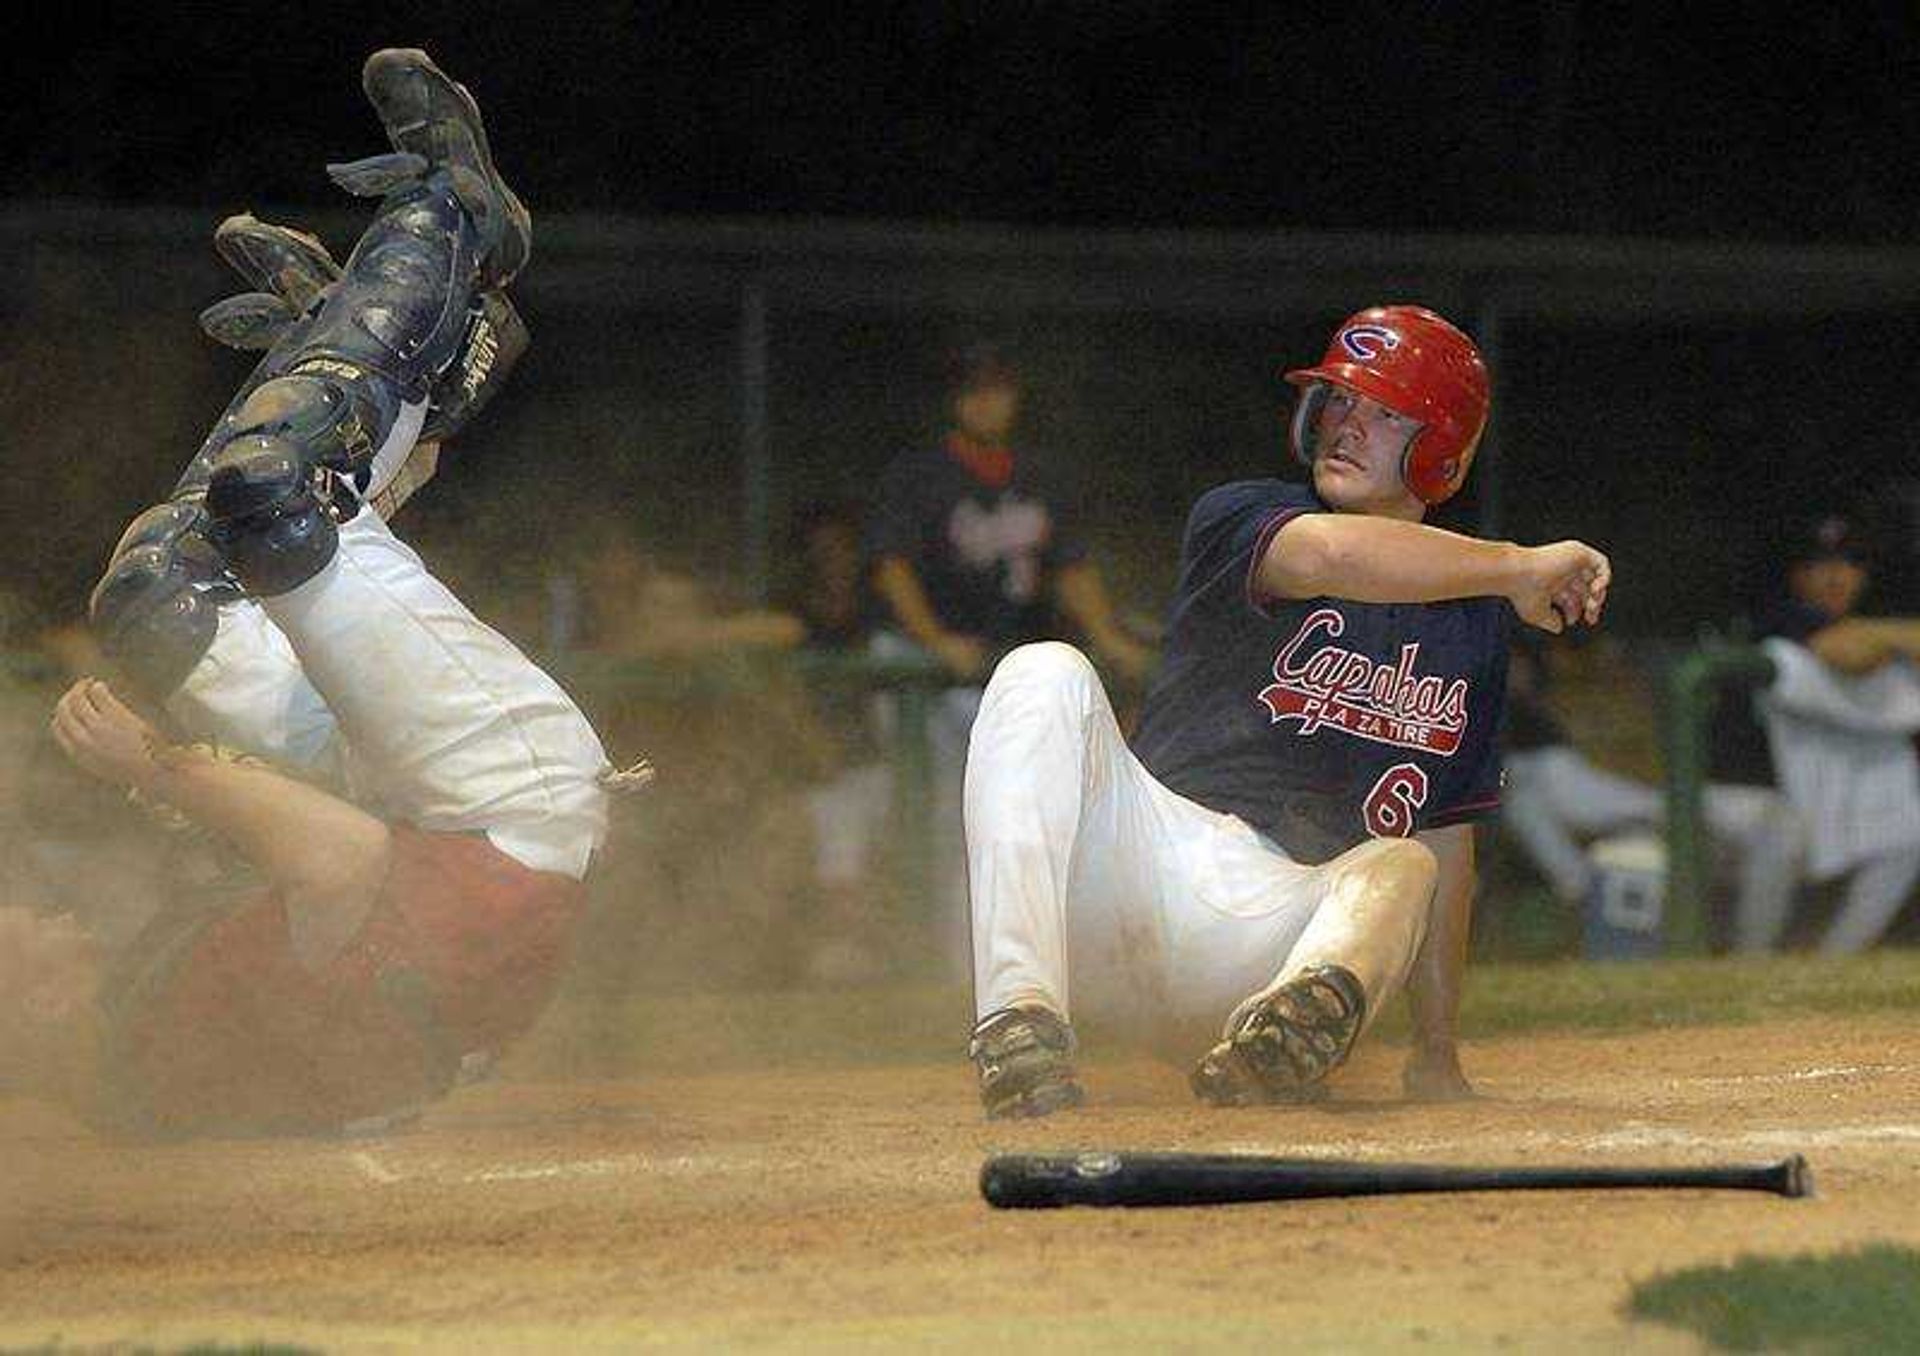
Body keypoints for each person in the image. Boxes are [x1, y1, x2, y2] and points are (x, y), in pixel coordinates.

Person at [19, 50, 623, 1137]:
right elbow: (337, 859)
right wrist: (152, 766)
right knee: (274, 494)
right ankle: (456, 218)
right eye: (17, 935)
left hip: (418, 825)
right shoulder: (140, 1038)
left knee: (159, 600)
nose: (36, 911)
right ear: (28, 1005)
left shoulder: (127, 1046)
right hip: (501, 812)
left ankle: (354, 356)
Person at [963, 306, 1610, 1118]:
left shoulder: (1477, 621)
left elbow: (1447, 835)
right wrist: (1521, 565)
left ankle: (1277, 1049)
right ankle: (1019, 1020)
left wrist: (1436, 1055)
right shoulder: (1242, 516)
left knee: (1403, 863)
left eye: (1383, 413)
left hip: (1271, 935)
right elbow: (1337, 554)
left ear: (1443, 445)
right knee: (1041, 671)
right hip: (1139, 868)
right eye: (1338, 401)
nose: (1346, 424)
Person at [868, 343, 1154, 966]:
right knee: (948, 825)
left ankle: (1027, 965)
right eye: (974, 389)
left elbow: (1071, 567)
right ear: (954, 399)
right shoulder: (920, 476)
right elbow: (891, 568)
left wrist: (1107, 637)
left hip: (1002, 671)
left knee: (1029, 823)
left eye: (997, 387)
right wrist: (934, 641)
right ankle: (940, 970)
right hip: (923, 676)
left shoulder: (1040, 476)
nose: (987, 400)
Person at [1498, 635, 1802, 953]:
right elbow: (1542, 804)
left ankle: (1750, 958)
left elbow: (1653, 779)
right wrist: (1580, 885)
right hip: (1616, 842)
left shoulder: (1636, 689)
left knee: (1779, 823)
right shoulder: (1526, 738)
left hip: (1662, 808)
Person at [1744, 514, 1920, 952]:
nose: (1836, 577)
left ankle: (1833, 964)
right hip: (1743, 796)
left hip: (1824, 791)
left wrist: (1875, 633)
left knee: (1905, 840)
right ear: (1797, 575)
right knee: (1784, 835)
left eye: (1848, 564)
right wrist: (1888, 637)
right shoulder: (1782, 617)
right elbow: (1848, 654)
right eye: (1820, 565)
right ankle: (1747, 963)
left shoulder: (1857, 621)